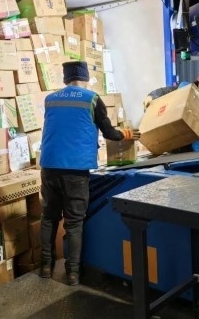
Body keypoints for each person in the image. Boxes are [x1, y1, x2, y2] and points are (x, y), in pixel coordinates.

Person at [39, 60, 140, 286]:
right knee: (74, 222)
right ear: (85, 78)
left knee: (49, 217)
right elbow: (110, 134)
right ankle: (72, 274)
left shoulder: (50, 99)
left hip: (49, 166)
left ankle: (45, 267)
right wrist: (127, 134)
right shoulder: (92, 99)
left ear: (65, 78)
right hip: (76, 169)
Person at [143, 66, 199, 152]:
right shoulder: (185, 88)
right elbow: (164, 91)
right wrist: (151, 97)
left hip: (197, 147)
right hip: (177, 142)